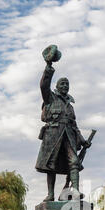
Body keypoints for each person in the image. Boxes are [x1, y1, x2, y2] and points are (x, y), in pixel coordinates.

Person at [35, 55, 91, 202]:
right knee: (50, 165)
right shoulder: (50, 98)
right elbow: (43, 86)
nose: (65, 86)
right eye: (63, 84)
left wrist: (83, 141)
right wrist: (48, 66)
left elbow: (74, 125)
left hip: (69, 137)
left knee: (74, 163)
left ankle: (76, 192)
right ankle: (51, 194)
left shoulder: (70, 107)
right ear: (57, 87)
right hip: (53, 136)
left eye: (67, 84)